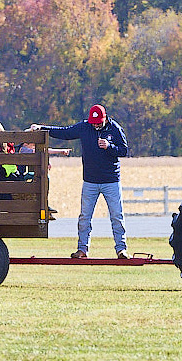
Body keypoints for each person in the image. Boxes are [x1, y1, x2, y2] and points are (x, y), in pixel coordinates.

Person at [32, 104, 130, 259]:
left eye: (99, 122)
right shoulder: (84, 127)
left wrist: (109, 146)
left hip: (111, 180)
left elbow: (124, 150)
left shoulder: (114, 128)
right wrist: (42, 128)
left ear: (105, 119)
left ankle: (121, 249)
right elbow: (65, 132)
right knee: (85, 216)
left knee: (117, 216)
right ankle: (82, 249)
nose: (96, 125)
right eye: (94, 122)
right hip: (90, 181)